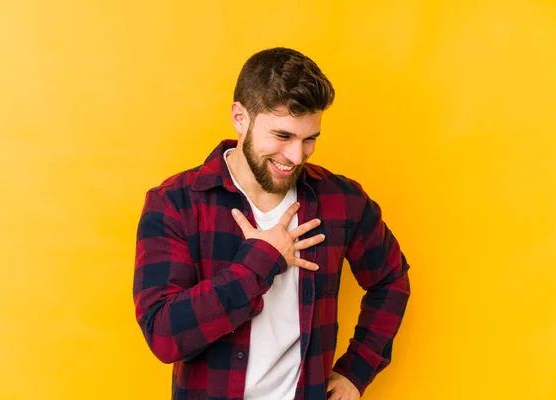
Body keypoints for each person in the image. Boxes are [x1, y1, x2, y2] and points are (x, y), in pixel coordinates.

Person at [133, 47, 411, 400]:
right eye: (282, 136)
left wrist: (356, 372)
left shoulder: (341, 200)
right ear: (240, 118)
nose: (296, 156)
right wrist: (259, 262)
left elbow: (391, 279)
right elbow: (164, 335)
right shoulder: (175, 203)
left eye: (309, 138)